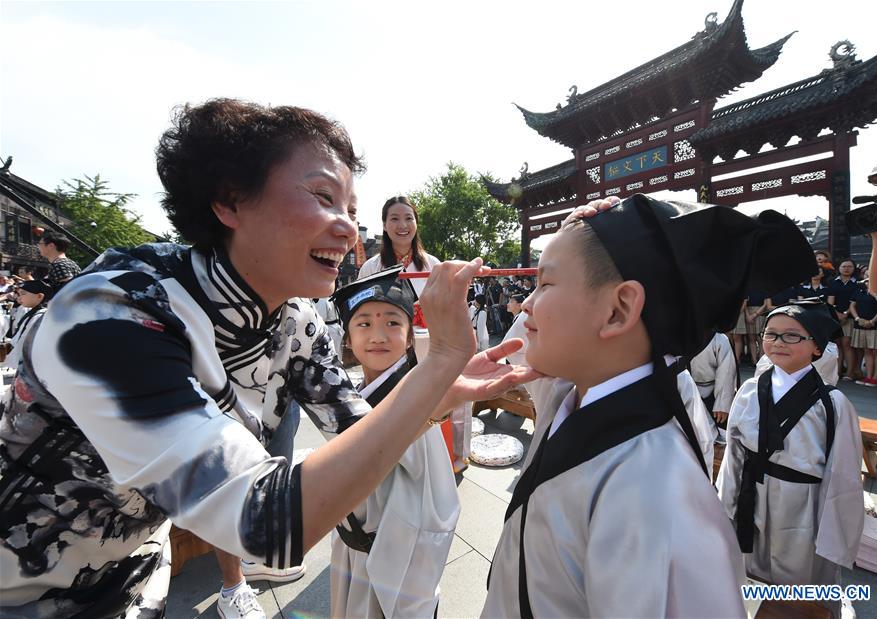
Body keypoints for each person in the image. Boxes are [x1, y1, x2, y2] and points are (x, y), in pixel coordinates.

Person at [0, 99, 535, 619]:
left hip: (136, 580)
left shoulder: (294, 318)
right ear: (229, 201)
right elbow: (267, 524)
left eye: (350, 209)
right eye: (323, 196)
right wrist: (438, 361)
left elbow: (361, 429)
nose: (348, 226)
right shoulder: (116, 310)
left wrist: (439, 392)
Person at [483, 194, 814, 617]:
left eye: (544, 284)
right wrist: (574, 239)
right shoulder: (583, 393)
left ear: (619, 310)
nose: (526, 303)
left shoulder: (655, 493)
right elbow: (528, 350)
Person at [329, 266, 459, 618]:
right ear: (348, 340)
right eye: (364, 324)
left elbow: (433, 499)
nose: (378, 336)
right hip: (353, 547)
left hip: (391, 558)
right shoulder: (353, 395)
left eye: (392, 323)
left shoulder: (412, 399)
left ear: (409, 336)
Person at [717, 301, 863, 605]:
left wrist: (836, 538)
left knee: (798, 586)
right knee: (751, 574)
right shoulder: (749, 390)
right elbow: (734, 457)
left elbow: (844, 476)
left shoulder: (833, 404)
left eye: (792, 336)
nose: (778, 343)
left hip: (802, 505)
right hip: (752, 493)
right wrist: (723, 510)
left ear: (817, 348)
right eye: (771, 335)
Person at [358, 196, 441, 300]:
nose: (402, 225)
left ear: (416, 223)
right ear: (384, 225)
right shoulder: (370, 268)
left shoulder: (433, 265)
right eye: (394, 219)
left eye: (409, 218)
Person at [689, 332, 738, 431]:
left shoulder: (719, 338)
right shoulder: (678, 335)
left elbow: (727, 371)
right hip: (687, 390)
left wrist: (722, 404)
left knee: (719, 434)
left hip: (713, 391)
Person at [1, 279, 51, 372]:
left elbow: (25, 341)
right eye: (19, 294)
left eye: (23, 294)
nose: (19, 298)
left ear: (39, 296)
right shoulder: (34, 312)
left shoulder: (40, 315)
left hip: (30, 363)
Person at [849, 282, 877, 387]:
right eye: (867, 278)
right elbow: (852, 306)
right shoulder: (859, 290)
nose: (868, 281)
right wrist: (858, 319)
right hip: (861, 323)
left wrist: (872, 321)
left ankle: (876, 378)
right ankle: (868, 376)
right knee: (867, 350)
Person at [827, 258, 860, 380]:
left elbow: (856, 301)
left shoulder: (858, 282)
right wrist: (837, 314)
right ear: (839, 268)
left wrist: (846, 313)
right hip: (835, 317)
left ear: (854, 268)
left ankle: (850, 372)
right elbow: (830, 302)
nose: (846, 269)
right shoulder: (833, 282)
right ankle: (838, 371)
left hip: (851, 317)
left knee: (847, 344)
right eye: (844, 266)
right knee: (837, 345)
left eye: (849, 266)